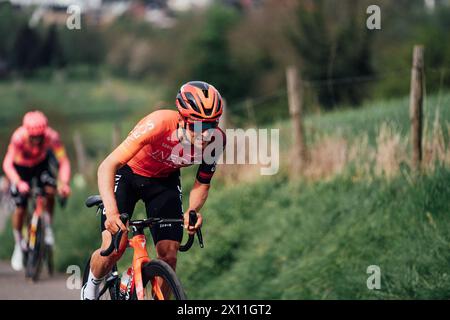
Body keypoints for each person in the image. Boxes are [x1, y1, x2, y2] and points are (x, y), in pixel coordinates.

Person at [81, 81, 226, 300]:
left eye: (211, 125)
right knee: (114, 248)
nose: (206, 134)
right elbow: (107, 166)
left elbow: (202, 183)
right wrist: (111, 213)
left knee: (169, 254)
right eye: (199, 126)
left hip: (164, 181)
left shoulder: (216, 141)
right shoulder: (158, 124)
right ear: (184, 119)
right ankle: (90, 288)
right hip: (129, 174)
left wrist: (192, 210)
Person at [2, 110, 71, 271]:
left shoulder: (52, 137)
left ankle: (47, 227)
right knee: (20, 207)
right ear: (27, 133)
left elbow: (63, 160)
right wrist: (18, 182)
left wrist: (64, 183)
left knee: (50, 190)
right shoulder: (18, 138)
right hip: (21, 170)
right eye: (33, 137)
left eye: (40, 136)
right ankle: (19, 244)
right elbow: (7, 163)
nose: (37, 140)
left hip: (40, 166)